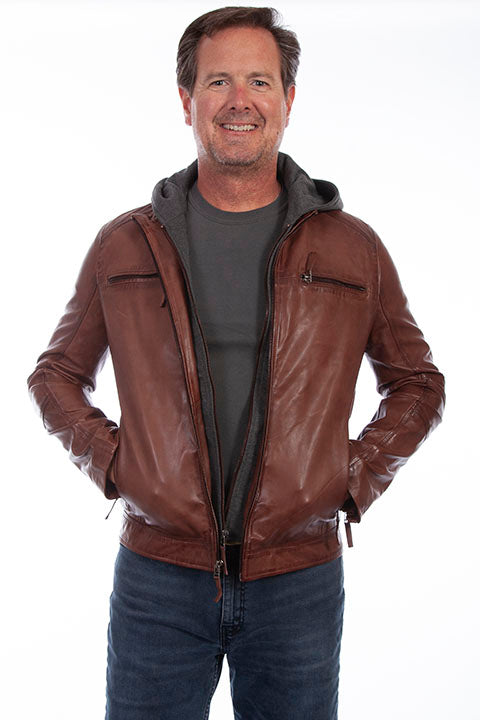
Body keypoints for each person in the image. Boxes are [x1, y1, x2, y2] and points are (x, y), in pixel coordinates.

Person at [26, 6, 446, 720]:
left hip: (299, 581)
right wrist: (118, 465)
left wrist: (349, 478)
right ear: (187, 99)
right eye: (218, 81)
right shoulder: (126, 244)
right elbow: (56, 375)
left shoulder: (352, 248)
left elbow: (416, 383)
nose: (239, 100)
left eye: (260, 80)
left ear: (288, 98)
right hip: (157, 577)